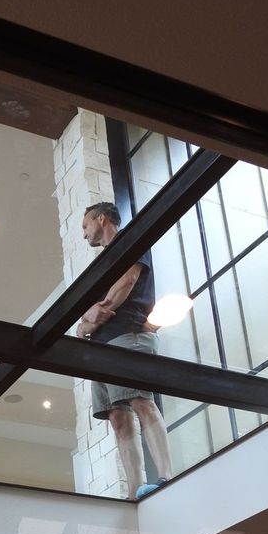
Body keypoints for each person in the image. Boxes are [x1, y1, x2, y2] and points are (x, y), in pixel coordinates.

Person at [75, 201, 172, 499]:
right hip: (101, 347)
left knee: (141, 402)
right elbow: (86, 316)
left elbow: (128, 280)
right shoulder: (99, 265)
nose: (83, 234)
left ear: (101, 218)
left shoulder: (132, 241)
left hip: (128, 335)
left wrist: (97, 314)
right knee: (117, 416)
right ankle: (133, 491)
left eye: (85, 225)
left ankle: (166, 475)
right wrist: (86, 323)